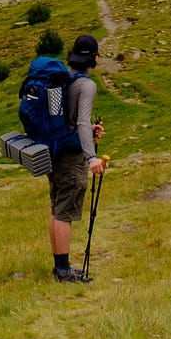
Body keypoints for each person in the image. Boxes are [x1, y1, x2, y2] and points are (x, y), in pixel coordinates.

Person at [48, 33, 106, 282]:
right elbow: (81, 121)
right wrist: (92, 157)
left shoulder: (64, 79)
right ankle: (64, 271)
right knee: (65, 211)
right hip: (71, 157)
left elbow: (69, 120)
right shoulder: (87, 85)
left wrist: (90, 131)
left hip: (55, 151)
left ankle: (60, 265)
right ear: (94, 57)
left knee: (57, 207)